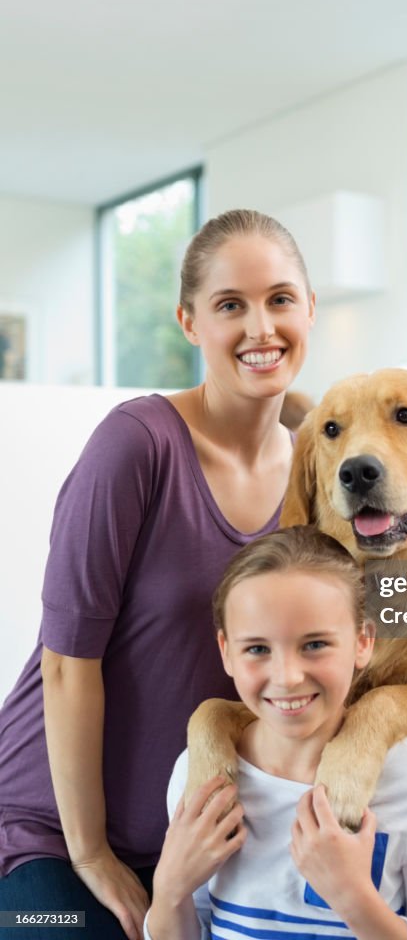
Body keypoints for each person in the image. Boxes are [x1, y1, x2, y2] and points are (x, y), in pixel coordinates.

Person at [0, 210, 316, 940]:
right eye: (229, 306)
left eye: (278, 299)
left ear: (307, 309)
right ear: (189, 322)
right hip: (48, 834)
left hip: (196, 843)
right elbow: (64, 666)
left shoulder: (312, 469)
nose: (260, 328)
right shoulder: (136, 445)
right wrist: (91, 853)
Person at [145, 525, 407, 940]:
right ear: (226, 652)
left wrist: (355, 899)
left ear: (363, 642)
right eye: (257, 649)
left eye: (315, 644)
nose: (286, 677)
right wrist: (169, 890)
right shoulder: (195, 774)